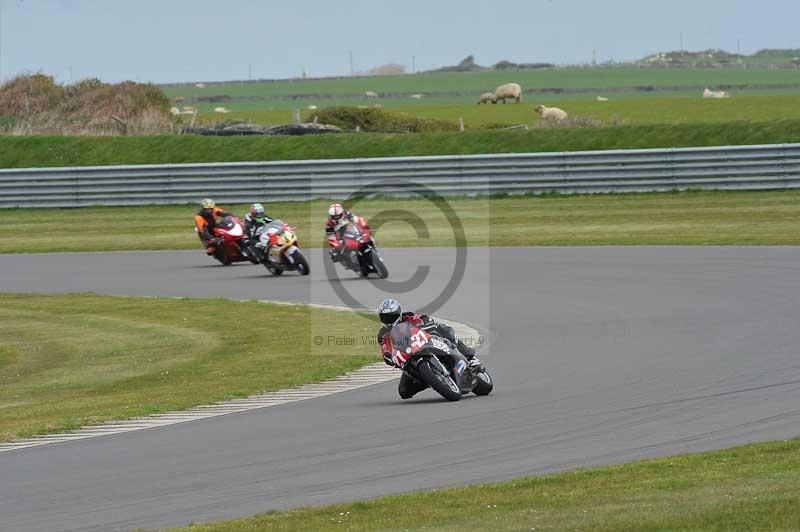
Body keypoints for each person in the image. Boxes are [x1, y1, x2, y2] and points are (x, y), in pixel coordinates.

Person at [376, 298, 480, 399]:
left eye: (391, 316)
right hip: (409, 356)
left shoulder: (408, 317)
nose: (388, 320)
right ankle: (432, 379)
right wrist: (388, 356)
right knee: (404, 391)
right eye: (384, 317)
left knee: (444, 330)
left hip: (425, 343)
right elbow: (385, 349)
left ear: (399, 313)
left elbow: (423, 318)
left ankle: (466, 353)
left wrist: (426, 324)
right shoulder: (383, 334)